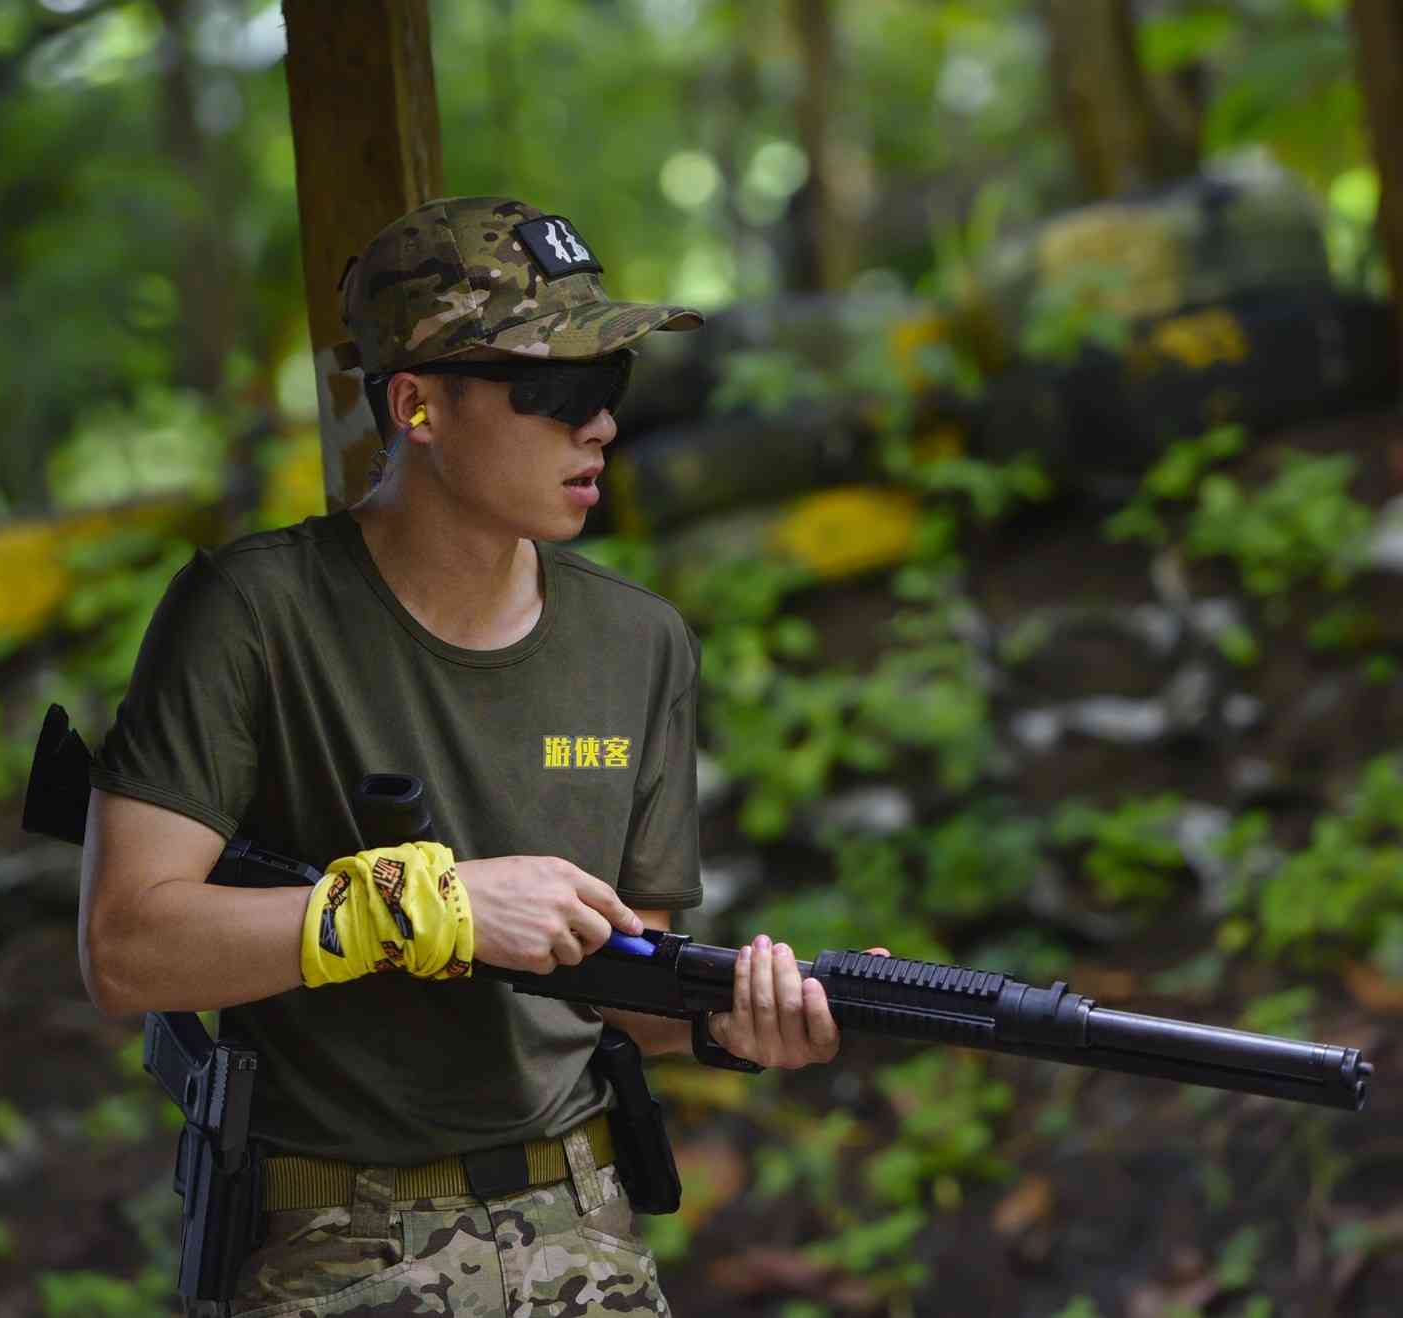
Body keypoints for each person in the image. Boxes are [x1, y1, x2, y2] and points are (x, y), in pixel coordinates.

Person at [77, 196, 869, 1317]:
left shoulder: (639, 643)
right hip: (336, 1247)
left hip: (585, 1226)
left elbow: (628, 981)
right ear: (418, 406)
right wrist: (418, 906)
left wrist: (734, 1016)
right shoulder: (252, 612)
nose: (598, 427)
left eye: (612, 390)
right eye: (556, 393)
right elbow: (128, 946)